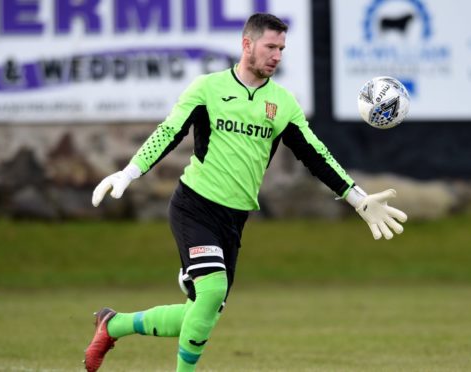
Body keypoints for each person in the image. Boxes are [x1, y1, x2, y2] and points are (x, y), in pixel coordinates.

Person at [84, 13, 407, 372]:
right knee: (212, 292)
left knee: (199, 314)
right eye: (270, 46)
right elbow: (168, 132)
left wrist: (357, 197)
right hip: (194, 206)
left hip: (234, 220)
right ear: (247, 44)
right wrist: (129, 172)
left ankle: (112, 325)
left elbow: (317, 155)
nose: (277, 56)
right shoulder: (207, 88)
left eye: (282, 48)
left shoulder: (283, 103)